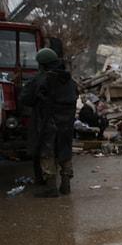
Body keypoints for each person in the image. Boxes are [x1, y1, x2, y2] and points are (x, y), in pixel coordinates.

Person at [20, 48, 78, 197]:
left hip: (46, 123)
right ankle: (66, 184)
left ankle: (51, 187)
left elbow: (25, 98)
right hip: (66, 124)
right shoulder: (69, 80)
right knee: (65, 151)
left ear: (42, 64)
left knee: (47, 154)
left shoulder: (40, 79)